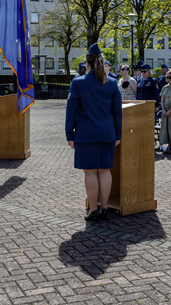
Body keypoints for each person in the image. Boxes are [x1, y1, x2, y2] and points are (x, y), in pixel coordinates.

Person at [65, 43, 122, 221]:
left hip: (85, 135)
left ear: (87, 64)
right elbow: (117, 112)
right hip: (107, 134)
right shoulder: (112, 84)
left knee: (90, 172)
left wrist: (69, 134)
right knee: (104, 170)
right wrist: (118, 135)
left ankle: (92, 210)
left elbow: (71, 111)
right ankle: (104, 208)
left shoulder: (78, 82)